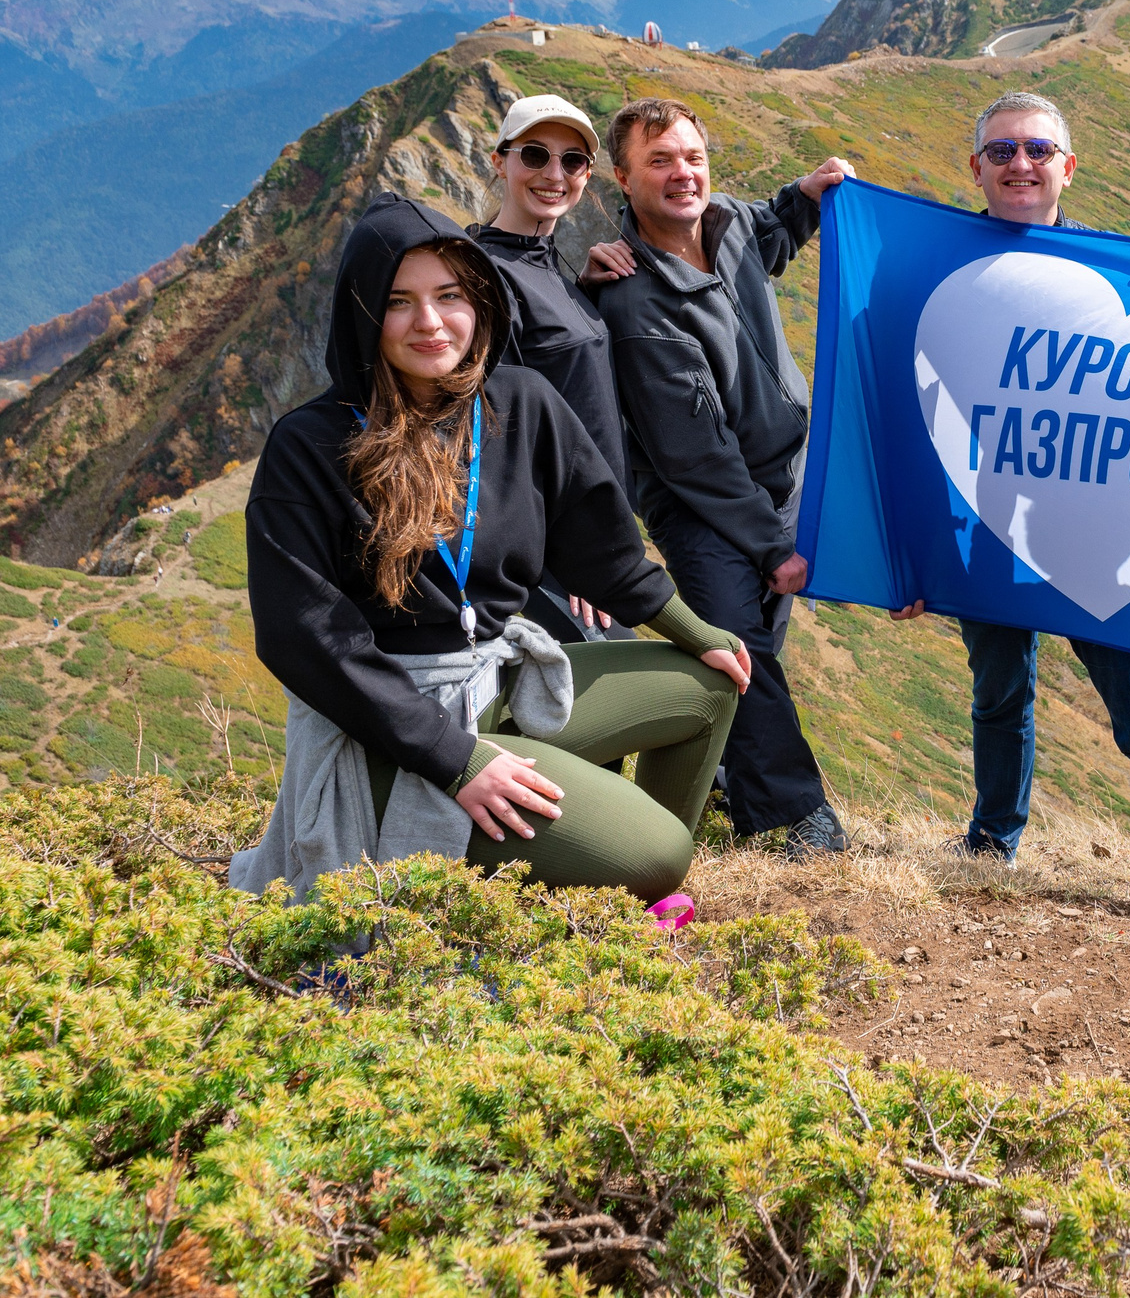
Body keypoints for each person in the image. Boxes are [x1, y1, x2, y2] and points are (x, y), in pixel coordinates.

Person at [230, 194, 753, 903]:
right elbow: (307, 640)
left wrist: (700, 634)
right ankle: (630, 868)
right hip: (391, 728)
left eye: (449, 294)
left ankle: (617, 882)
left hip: (498, 680)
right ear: (362, 313)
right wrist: (460, 761)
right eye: (399, 301)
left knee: (710, 684)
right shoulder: (311, 445)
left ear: (478, 298)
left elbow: (604, 552)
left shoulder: (521, 401)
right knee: (660, 850)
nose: (430, 322)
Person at [890, 90, 1130, 902]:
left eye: (1037, 150)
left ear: (1067, 166)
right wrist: (914, 549)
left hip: (1093, 536)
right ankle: (991, 843)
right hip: (989, 524)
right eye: (1001, 152)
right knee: (998, 692)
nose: (1020, 165)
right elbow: (908, 404)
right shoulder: (940, 265)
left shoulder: (1128, 275)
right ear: (976, 167)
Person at [582, 100, 856, 858]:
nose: (683, 174)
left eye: (693, 156)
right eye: (661, 161)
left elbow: (767, 236)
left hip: (782, 477)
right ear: (624, 178)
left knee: (753, 643)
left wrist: (805, 196)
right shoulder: (637, 300)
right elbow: (695, 457)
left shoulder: (729, 221)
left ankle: (727, 781)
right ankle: (798, 816)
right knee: (741, 651)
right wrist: (773, 547)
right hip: (701, 505)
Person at [466, 92, 635, 642]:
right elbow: (502, 439)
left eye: (573, 160)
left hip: (598, 538)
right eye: (534, 155)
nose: (554, 173)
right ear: (500, 160)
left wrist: (584, 291)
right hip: (558, 556)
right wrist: (574, 552)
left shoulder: (550, 261)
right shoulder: (485, 276)